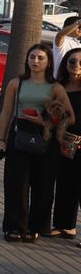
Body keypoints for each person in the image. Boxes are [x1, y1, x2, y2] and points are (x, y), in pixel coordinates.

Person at [0, 43, 73, 242]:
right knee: (16, 183)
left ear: (48, 62)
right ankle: (14, 226)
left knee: (43, 184)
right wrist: (1, 140)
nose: (35, 61)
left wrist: (45, 122)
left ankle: (35, 227)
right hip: (20, 133)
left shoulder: (55, 87)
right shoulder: (16, 83)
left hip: (46, 137)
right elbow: (6, 112)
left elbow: (69, 117)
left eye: (40, 58)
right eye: (32, 57)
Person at [53, 48, 81, 239]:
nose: (76, 65)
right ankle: (64, 225)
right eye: (72, 61)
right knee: (64, 183)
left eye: (80, 62)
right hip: (63, 141)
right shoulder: (59, 86)